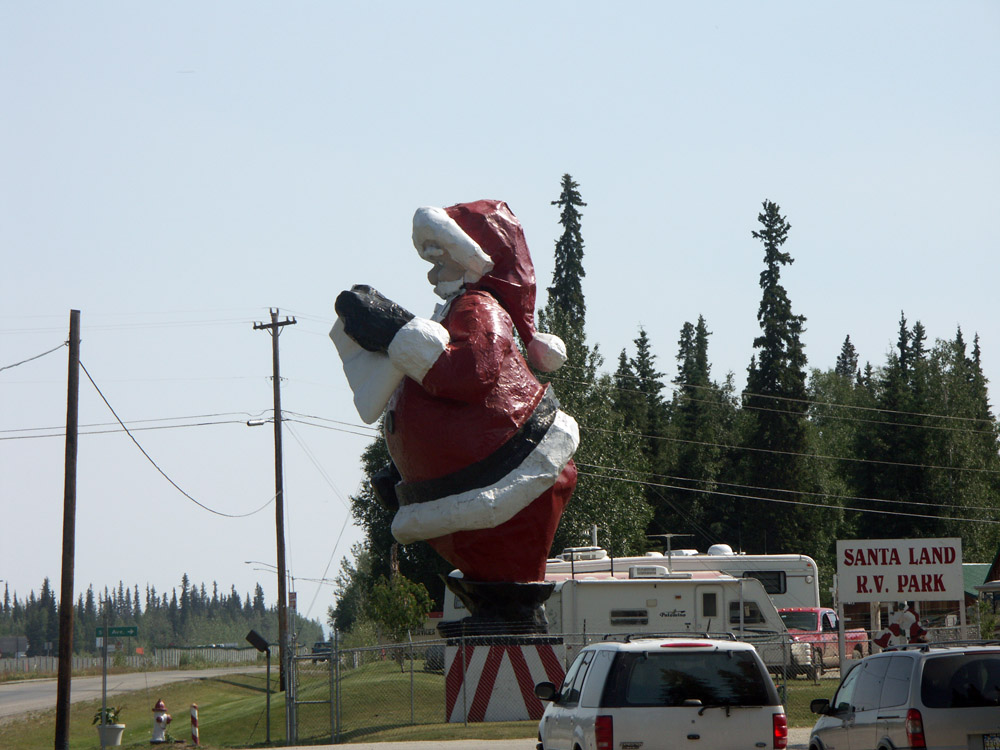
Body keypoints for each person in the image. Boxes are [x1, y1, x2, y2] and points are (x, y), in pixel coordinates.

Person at [332, 200, 578, 632]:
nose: (432, 274)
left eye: (439, 260)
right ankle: (498, 610)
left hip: (507, 475)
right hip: (465, 486)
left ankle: (510, 615)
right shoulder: (451, 312)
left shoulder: (479, 309)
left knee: (502, 573)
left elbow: (471, 373)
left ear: (470, 257)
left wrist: (395, 331)